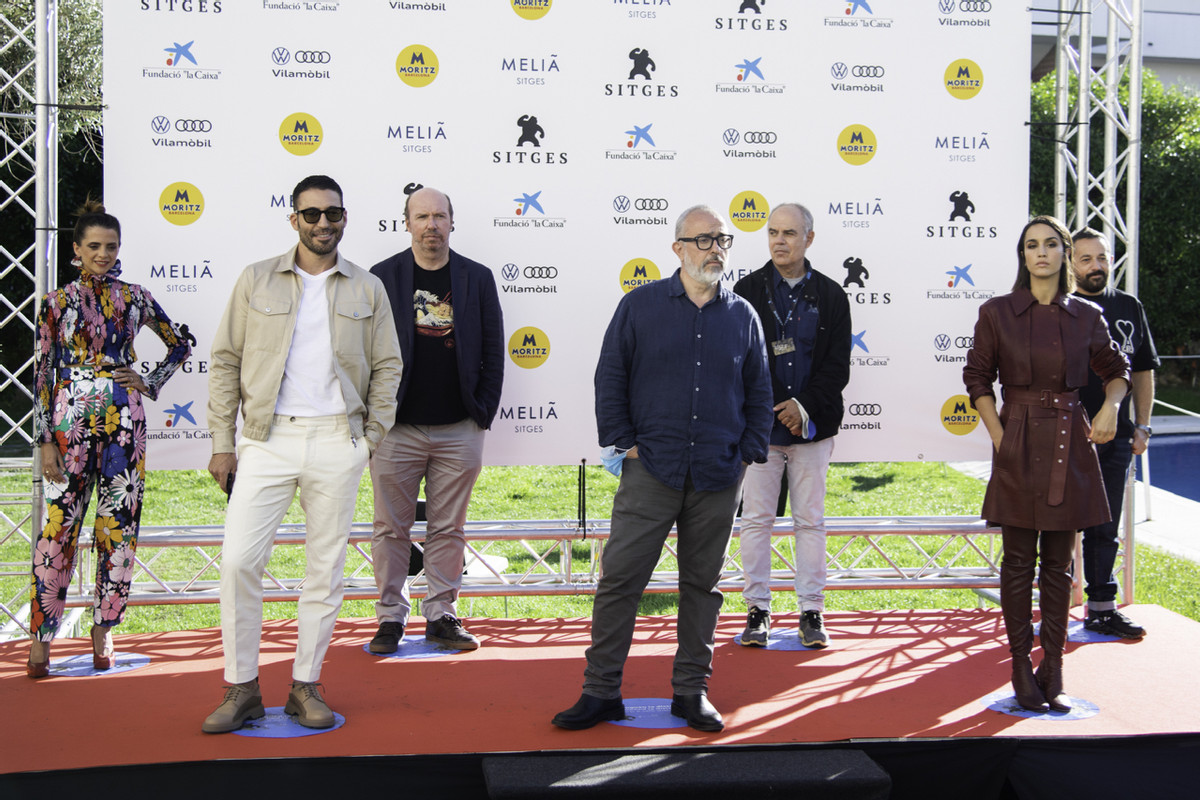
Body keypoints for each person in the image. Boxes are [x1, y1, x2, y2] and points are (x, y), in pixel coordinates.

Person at [552, 205, 773, 732]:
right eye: (703, 240)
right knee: (620, 581)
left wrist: (747, 453)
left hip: (718, 473)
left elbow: (759, 390)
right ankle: (600, 691)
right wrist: (624, 444)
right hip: (651, 468)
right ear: (678, 248)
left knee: (703, 587)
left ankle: (692, 691)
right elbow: (610, 377)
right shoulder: (640, 306)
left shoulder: (743, 315)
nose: (715, 249)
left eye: (722, 240)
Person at [202, 175, 402, 733]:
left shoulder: (368, 288)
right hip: (266, 439)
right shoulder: (256, 278)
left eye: (332, 213)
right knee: (239, 562)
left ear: (344, 218)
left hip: (339, 440)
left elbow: (388, 365)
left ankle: (306, 684)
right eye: (311, 214)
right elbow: (225, 359)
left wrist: (371, 438)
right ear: (294, 219)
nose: (322, 223)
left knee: (325, 570)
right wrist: (223, 443)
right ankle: (241, 687)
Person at [963, 215, 1129, 712]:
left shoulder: (1087, 315)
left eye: (1051, 244)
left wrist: (1111, 406)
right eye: (1032, 244)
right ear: (1023, 255)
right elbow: (977, 378)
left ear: (1064, 254)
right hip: (1016, 437)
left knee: (1059, 565)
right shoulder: (996, 312)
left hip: (1069, 441)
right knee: (1017, 562)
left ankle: (1052, 666)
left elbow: (1117, 370)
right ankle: (1019, 665)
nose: (1041, 252)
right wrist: (1000, 438)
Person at [28, 200, 191, 678]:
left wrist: (148, 380)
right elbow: (42, 374)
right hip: (69, 426)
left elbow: (179, 344)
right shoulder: (55, 303)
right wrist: (44, 441)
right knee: (57, 528)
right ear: (77, 249)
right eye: (94, 246)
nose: (103, 254)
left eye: (111, 246)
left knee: (118, 527)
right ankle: (41, 637)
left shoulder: (135, 297)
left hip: (125, 424)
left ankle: (104, 629)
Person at [367, 186, 504, 653]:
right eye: (422, 216)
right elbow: (364, 351)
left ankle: (442, 614)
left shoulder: (476, 277)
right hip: (395, 429)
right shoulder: (382, 277)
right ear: (406, 222)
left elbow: (493, 349)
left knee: (449, 528)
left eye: (439, 216)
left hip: (459, 428)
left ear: (451, 222)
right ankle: (390, 617)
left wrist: (481, 411)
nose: (431, 225)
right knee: (390, 529)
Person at [732, 203, 851, 649]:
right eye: (772, 232)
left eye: (789, 233)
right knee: (755, 520)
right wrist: (772, 408)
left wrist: (802, 406)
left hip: (813, 428)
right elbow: (739, 362)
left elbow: (837, 367)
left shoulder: (832, 295)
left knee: (810, 521)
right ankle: (757, 610)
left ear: (809, 238)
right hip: (761, 430)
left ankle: (811, 610)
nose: (779, 241)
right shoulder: (746, 290)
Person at [1071, 228, 1159, 639]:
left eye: (1102, 257)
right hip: (1064, 435)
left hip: (1116, 438)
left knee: (1105, 526)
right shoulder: (1058, 307)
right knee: (1058, 527)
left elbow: (1142, 370)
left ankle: (1102, 610)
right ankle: (1053, 607)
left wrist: (1142, 425)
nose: (1096, 266)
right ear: (1071, 263)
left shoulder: (1128, 306)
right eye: (1086, 258)